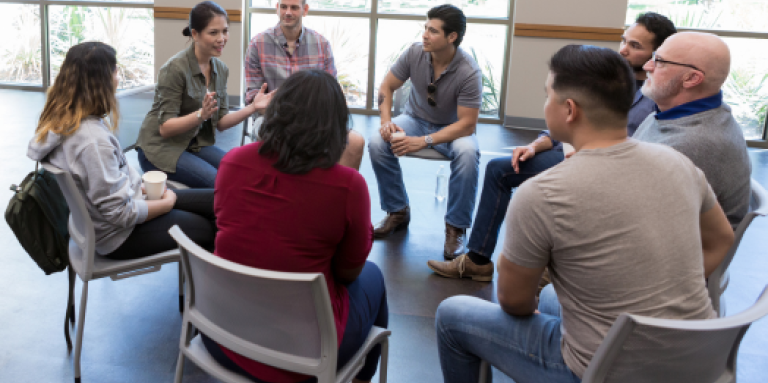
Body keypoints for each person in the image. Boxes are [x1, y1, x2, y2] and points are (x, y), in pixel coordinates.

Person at [435, 44, 734, 383]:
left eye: (548, 96)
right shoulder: (679, 163)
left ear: (569, 110)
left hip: (607, 373)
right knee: (550, 297)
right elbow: (722, 239)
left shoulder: (542, 193)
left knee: (452, 315)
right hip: (702, 362)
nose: (545, 104)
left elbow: (515, 302)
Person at [427, 12, 677, 280]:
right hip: (568, 151)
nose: (623, 50)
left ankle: (541, 272)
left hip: (601, 166)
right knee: (500, 168)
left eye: (635, 46)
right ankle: (478, 260)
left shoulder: (658, 97)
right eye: (624, 40)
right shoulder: (608, 75)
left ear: (657, 54)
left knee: (516, 183)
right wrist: (536, 145)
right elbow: (568, 116)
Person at [208, 69, 388, 383]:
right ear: (335, 126)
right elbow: (348, 273)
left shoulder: (231, 162)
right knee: (374, 277)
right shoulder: (348, 185)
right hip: (303, 356)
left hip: (222, 334)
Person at [27, 42, 216, 260]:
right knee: (208, 227)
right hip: (120, 236)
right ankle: (210, 288)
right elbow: (119, 214)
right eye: (116, 70)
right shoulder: (92, 141)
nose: (119, 76)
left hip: (115, 216)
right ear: (102, 81)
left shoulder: (63, 123)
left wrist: (145, 190)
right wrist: (166, 204)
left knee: (218, 201)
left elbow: (105, 188)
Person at [369, 4, 482, 259]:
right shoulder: (414, 54)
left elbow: (467, 124)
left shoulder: (469, 71)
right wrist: (386, 122)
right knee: (377, 142)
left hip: (453, 129)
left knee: (468, 154)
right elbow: (386, 86)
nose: (424, 35)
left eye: (433, 31)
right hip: (414, 119)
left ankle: (456, 227)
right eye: (425, 28)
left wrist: (424, 141)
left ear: (451, 37)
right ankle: (397, 211)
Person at [137, 1, 273, 188]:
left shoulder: (220, 69)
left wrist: (253, 107)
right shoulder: (174, 69)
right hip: (161, 148)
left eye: (225, 31)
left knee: (240, 171)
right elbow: (165, 128)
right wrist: (201, 115)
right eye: (213, 32)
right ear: (195, 34)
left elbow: (222, 122)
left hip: (193, 143)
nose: (222, 38)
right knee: (221, 183)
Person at [635, 31, 752, 228]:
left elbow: (640, 217)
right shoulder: (677, 114)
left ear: (691, 78)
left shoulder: (693, 143)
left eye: (660, 61)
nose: (647, 66)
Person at [244, 0, 365, 170]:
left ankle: (333, 191)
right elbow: (252, 97)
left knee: (354, 142)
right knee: (285, 137)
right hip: (272, 116)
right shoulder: (257, 44)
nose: (288, 12)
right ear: (277, 9)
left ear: (305, 10)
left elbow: (331, 91)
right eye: (283, 7)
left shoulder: (322, 44)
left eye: (294, 7)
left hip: (314, 117)